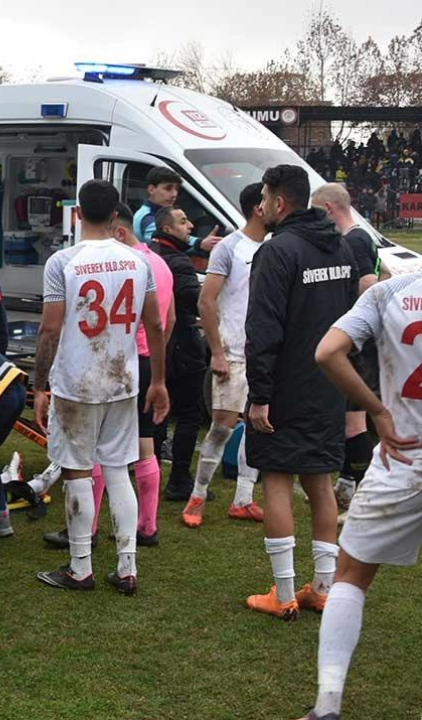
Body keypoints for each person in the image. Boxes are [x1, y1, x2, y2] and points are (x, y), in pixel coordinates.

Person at [32, 180, 168, 596]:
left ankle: (80, 567)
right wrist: (158, 380)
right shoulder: (138, 260)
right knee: (117, 469)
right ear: (115, 216)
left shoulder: (63, 262)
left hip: (76, 382)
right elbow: (155, 325)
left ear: (78, 214)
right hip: (123, 380)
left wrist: (39, 385)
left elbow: (49, 329)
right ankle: (127, 567)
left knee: (77, 471)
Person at [302, 273, 422, 720]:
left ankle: (327, 705)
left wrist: (376, 410)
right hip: (402, 460)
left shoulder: (390, 291)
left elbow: (327, 352)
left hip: (403, 458)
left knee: (351, 575)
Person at [244, 164, 357, 621]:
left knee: (276, 478)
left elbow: (263, 329)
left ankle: (286, 593)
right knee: (320, 483)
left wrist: (259, 393)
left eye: (265, 198)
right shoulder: (343, 248)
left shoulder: (277, 253)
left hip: (285, 387)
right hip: (329, 384)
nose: (261, 205)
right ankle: (324, 590)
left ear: (279, 202)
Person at [185, 182, 268, 526]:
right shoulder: (230, 248)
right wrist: (216, 352)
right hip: (232, 353)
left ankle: (244, 498)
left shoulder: (277, 247)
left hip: (264, 354)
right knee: (222, 427)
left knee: (258, 426)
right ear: (258, 208)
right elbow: (206, 300)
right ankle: (197, 497)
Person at [312, 182, 379, 513]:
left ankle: (359, 495)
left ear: (327, 209)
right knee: (353, 420)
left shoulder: (353, 240)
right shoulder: (364, 237)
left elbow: (368, 283)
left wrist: (354, 322)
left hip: (356, 345)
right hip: (358, 343)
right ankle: (349, 485)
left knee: (355, 423)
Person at [149, 206, 207, 502]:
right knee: (188, 414)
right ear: (168, 229)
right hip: (182, 346)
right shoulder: (178, 262)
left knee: (158, 413)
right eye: (183, 221)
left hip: (155, 346)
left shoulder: (150, 254)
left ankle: (153, 475)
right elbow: (194, 301)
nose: (190, 225)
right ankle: (179, 479)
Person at [131, 168, 221, 253]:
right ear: (151, 189)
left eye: (176, 189)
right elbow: (169, 239)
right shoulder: (147, 217)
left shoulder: (163, 211)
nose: (174, 194)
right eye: (168, 188)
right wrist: (200, 243)